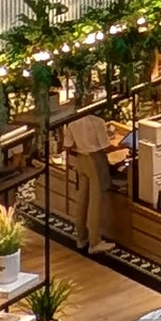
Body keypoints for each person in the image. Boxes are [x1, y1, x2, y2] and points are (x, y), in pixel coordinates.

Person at [61, 107, 115, 253]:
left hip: (81, 159)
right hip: (95, 159)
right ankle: (95, 242)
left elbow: (68, 145)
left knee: (82, 199)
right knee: (95, 201)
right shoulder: (97, 121)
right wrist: (122, 145)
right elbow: (106, 147)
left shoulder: (72, 121)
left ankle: (81, 238)